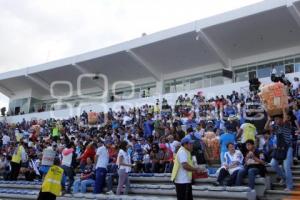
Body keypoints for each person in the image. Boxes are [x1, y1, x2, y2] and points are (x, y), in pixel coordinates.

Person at [264, 108, 294, 191]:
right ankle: (284, 178)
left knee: (286, 167)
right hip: (279, 148)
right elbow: (266, 128)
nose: (276, 121)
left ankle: (289, 186)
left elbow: (285, 120)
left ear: (282, 118)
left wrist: (283, 110)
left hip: (288, 148)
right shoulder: (276, 127)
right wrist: (269, 120)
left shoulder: (287, 124)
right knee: (273, 164)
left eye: (277, 119)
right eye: (275, 119)